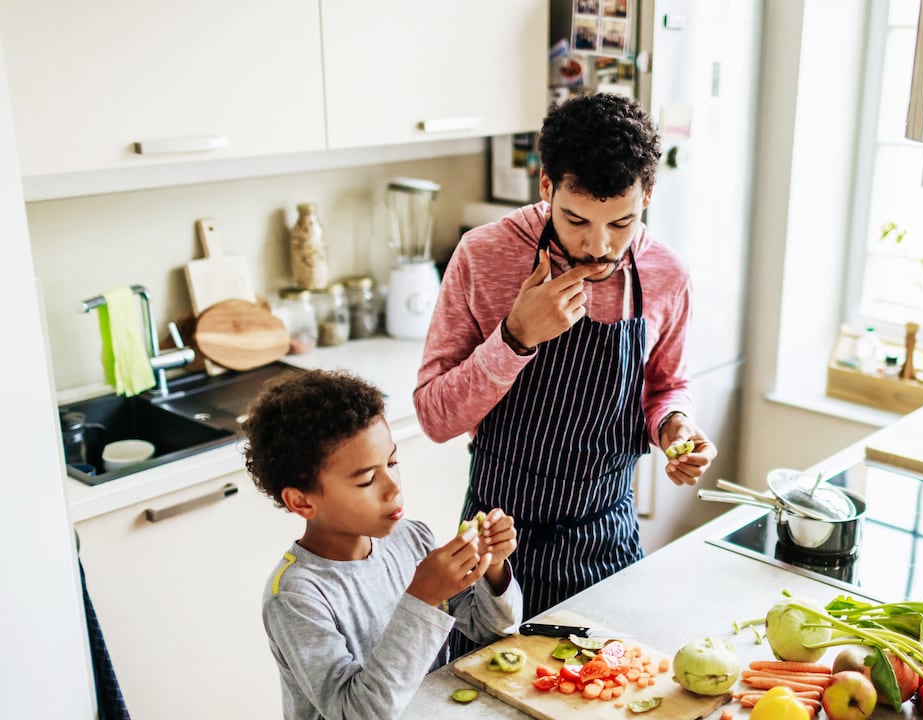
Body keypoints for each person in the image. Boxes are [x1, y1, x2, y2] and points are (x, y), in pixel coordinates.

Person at [414, 92, 717, 619]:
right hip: (495, 546)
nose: (598, 246)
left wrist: (675, 426)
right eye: (576, 221)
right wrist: (515, 338)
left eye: (621, 223)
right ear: (546, 186)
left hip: (607, 538)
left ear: (647, 194)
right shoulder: (484, 256)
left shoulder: (668, 275)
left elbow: (667, 385)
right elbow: (435, 418)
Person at [244, 369, 522, 720]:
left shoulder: (412, 539)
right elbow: (356, 713)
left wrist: (492, 568)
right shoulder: (297, 596)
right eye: (366, 480)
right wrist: (422, 597)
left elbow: (492, 629)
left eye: (392, 462)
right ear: (302, 502)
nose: (393, 488)